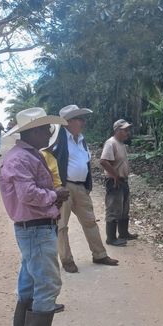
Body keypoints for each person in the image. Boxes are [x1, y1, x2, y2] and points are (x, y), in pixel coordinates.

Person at [0, 107, 71, 326]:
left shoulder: (27, 155)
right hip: (36, 228)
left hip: (34, 228)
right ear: (35, 131)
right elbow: (29, 195)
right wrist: (56, 196)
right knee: (48, 283)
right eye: (47, 129)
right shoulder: (20, 159)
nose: (50, 133)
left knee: (29, 282)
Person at [49, 105, 120, 274]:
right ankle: (67, 260)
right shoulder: (57, 138)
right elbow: (47, 160)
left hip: (80, 187)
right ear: (68, 122)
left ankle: (99, 254)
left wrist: (88, 186)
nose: (83, 122)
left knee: (90, 221)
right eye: (79, 119)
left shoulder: (81, 139)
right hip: (63, 186)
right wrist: (55, 186)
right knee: (62, 225)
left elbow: (85, 163)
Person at [100, 119, 139, 246]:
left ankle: (123, 233)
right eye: (125, 130)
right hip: (114, 180)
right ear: (117, 130)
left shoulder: (121, 143)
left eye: (128, 130)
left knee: (124, 207)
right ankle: (111, 238)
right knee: (113, 209)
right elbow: (104, 161)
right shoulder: (111, 143)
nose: (128, 132)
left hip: (123, 179)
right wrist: (115, 175)